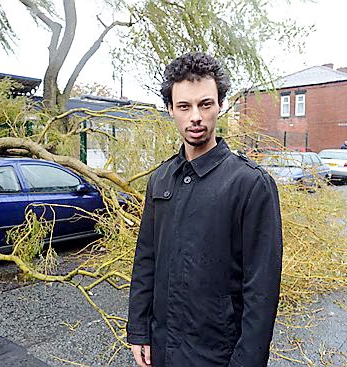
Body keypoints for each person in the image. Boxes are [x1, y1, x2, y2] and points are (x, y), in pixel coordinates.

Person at [127, 52, 283, 367]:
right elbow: (146, 259)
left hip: (217, 355)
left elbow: (262, 290)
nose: (195, 116)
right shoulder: (161, 178)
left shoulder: (250, 184)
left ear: (220, 105)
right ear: (171, 110)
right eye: (184, 106)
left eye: (205, 104)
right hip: (162, 347)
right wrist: (139, 330)